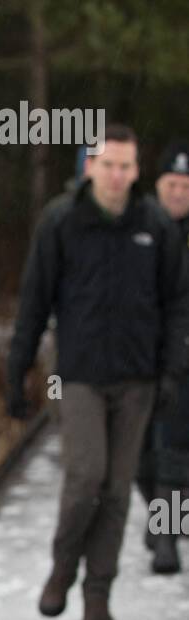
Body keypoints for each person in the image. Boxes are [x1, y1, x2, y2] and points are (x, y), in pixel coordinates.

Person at [7, 123, 189, 620]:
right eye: (107, 165)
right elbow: (34, 302)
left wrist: (172, 369)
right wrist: (16, 371)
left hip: (139, 379)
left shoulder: (156, 225)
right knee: (86, 476)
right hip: (79, 375)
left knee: (116, 489)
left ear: (137, 171)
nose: (116, 175)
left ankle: (97, 593)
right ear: (91, 166)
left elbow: (177, 303)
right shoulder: (62, 221)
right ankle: (63, 567)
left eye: (126, 167)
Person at [135, 139, 189, 574]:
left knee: (171, 447)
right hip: (134, 357)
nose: (178, 192)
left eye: (186, 185)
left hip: (180, 357)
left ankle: (167, 536)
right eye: (172, 183)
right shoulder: (140, 225)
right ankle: (162, 519)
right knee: (137, 454)